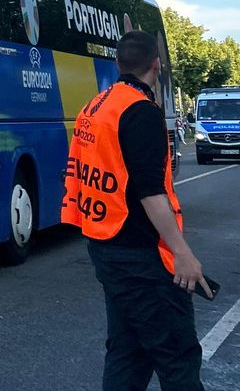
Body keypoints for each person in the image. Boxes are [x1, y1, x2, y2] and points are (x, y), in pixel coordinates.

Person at [62, 30, 210, 390]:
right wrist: (183, 253)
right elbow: (149, 192)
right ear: (155, 66)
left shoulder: (95, 107)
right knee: (178, 356)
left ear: (117, 64)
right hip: (141, 255)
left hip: (104, 242)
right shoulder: (141, 112)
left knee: (129, 354)